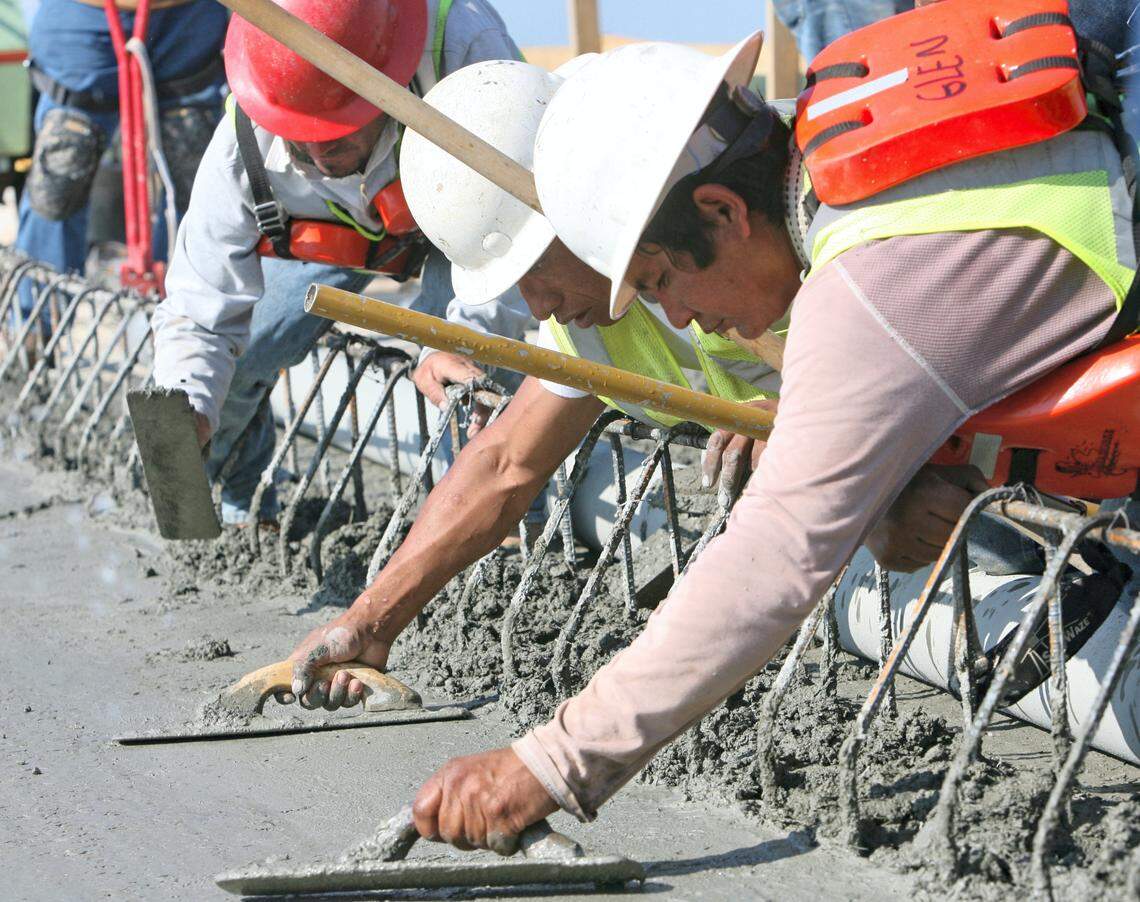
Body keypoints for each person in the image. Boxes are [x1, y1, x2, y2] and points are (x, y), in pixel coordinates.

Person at [398, 24, 1136, 848]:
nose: (677, 318)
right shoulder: (845, 147)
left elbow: (779, 550)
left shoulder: (865, 292)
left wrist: (548, 762)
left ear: (722, 210)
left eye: (660, 279)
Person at [150, 0, 529, 526]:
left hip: (469, 228)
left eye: (341, 130)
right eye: (304, 138)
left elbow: (520, 229)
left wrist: (459, 340)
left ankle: (492, 523)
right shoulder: (245, 136)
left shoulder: (462, 52)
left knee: (462, 369)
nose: (324, 155)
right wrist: (184, 404)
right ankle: (240, 499)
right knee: (244, 351)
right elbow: (201, 301)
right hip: (340, 241)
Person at [14, 0, 227, 316]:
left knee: (195, 178)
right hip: (84, 17)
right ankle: (38, 328)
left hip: (186, 17)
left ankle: (191, 325)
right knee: (62, 170)